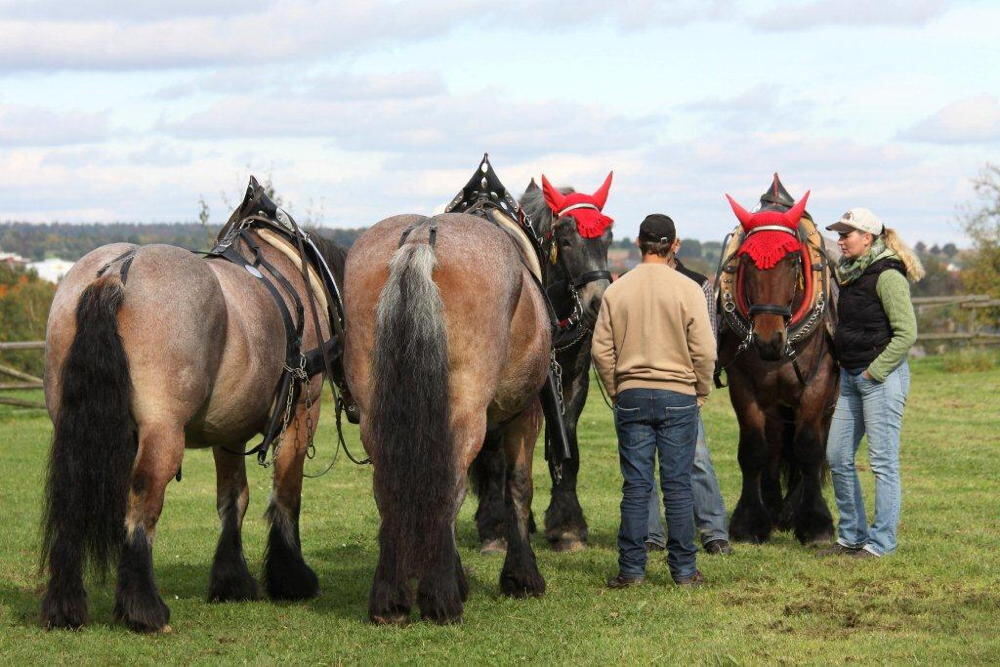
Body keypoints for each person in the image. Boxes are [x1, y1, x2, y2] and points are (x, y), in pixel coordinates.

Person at [592, 214, 717, 588]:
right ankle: (683, 570)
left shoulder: (617, 289)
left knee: (636, 485)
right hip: (678, 394)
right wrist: (702, 389)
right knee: (677, 485)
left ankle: (631, 569)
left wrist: (618, 388)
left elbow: (601, 350)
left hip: (631, 393)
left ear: (638, 244)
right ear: (674, 245)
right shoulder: (688, 289)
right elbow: (705, 351)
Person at [819, 208, 923, 559]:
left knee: (882, 463)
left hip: (880, 379)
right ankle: (851, 537)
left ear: (868, 237)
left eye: (846, 234)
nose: (840, 240)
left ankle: (880, 544)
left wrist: (874, 372)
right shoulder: (849, 274)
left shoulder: (888, 275)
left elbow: (907, 333)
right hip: (851, 377)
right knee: (836, 455)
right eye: (839, 234)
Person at [645, 233, 732, 556]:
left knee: (696, 459)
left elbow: (706, 337)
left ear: (675, 245)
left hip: (681, 384)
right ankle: (650, 533)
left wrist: (700, 387)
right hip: (648, 383)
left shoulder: (698, 284)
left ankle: (712, 530)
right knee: (645, 465)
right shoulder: (632, 282)